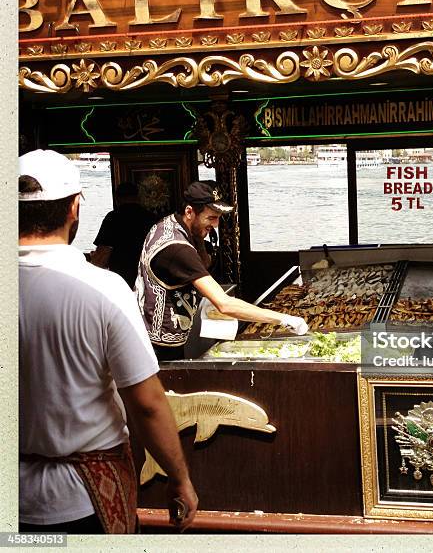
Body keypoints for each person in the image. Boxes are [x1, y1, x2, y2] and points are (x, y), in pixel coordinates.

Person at [18, 150, 198, 534]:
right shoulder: (102, 290)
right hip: (81, 499)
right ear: (73, 208)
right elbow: (147, 403)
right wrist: (178, 476)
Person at [135, 181, 309, 361]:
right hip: (156, 345)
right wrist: (284, 319)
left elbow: (203, 262)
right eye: (211, 218)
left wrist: (200, 234)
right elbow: (225, 304)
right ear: (189, 212)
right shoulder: (178, 250)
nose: (216, 224)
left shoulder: (170, 224)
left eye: (218, 217)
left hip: (150, 333)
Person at [90, 181, 156, 288]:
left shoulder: (112, 218)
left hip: (121, 281)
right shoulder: (152, 218)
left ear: (117, 198)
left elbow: (102, 256)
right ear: (138, 197)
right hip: (147, 280)